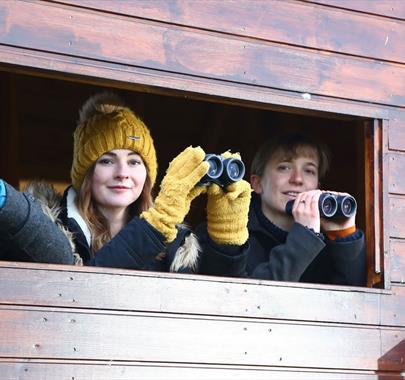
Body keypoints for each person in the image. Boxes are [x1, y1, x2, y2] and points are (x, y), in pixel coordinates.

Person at [0, 92, 251, 273]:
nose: (123, 173)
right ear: (86, 174)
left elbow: (219, 304)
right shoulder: (49, 228)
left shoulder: (178, 241)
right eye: (107, 161)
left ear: (147, 175)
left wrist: (226, 238)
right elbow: (85, 289)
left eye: (134, 162)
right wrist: (156, 224)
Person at [200, 133, 366, 286]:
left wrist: (343, 237)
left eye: (309, 171)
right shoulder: (228, 237)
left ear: (317, 186)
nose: (298, 179)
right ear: (256, 183)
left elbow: (356, 306)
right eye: (284, 167)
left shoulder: (323, 244)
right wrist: (306, 237)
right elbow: (248, 300)